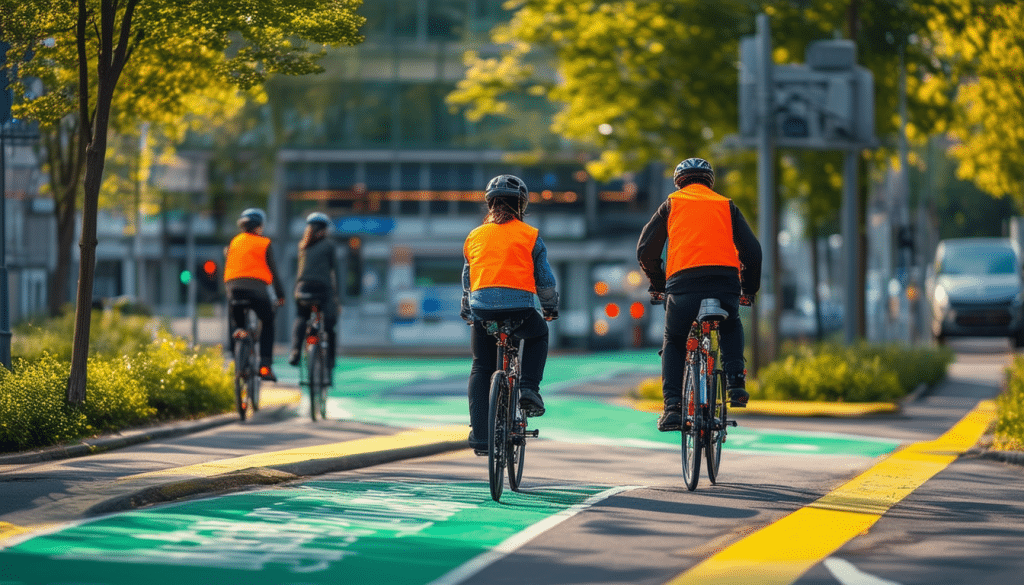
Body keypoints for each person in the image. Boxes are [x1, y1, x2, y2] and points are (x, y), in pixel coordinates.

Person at [636, 158, 762, 432]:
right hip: (725, 284)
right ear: (709, 181)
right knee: (730, 323)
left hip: (683, 288)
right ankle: (736, 384)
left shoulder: (671, 204)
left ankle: (672, 408)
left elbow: (646, 250)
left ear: (679, 182)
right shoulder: (726, 205)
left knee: (675, 340)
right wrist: (748, 290)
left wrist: (658, 284)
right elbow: (752, 252)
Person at [461, 174, 559, 454]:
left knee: (481, 366)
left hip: (483, 310)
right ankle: (528, 388)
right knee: (539, 333)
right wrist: (550, 307)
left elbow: (468, 279)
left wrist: (468, 309)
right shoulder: (530, 235)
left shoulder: (474, 236)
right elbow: (544, 280)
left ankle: (481, 436)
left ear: (490, 204)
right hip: (520, 310)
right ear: (522, 205)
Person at [224, 208, 286, 382]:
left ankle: (237, 342)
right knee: (267, 320)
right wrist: (281, 295)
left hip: (234, 289)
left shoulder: (234, 242)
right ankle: (265, 365)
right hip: (258, 291)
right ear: (259, 227)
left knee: (237, 320)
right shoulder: (264, 243)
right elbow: (273, 271)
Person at [289, 212, 339, 370]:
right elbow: (335, 271)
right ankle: (330, 361)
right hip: (322, 290)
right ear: (323, 230)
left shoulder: (302, 245)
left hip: (302, 289)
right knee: (330, 326)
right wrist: (338, 298)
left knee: (301, 317)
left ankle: (295, 352)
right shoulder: (329, 245)